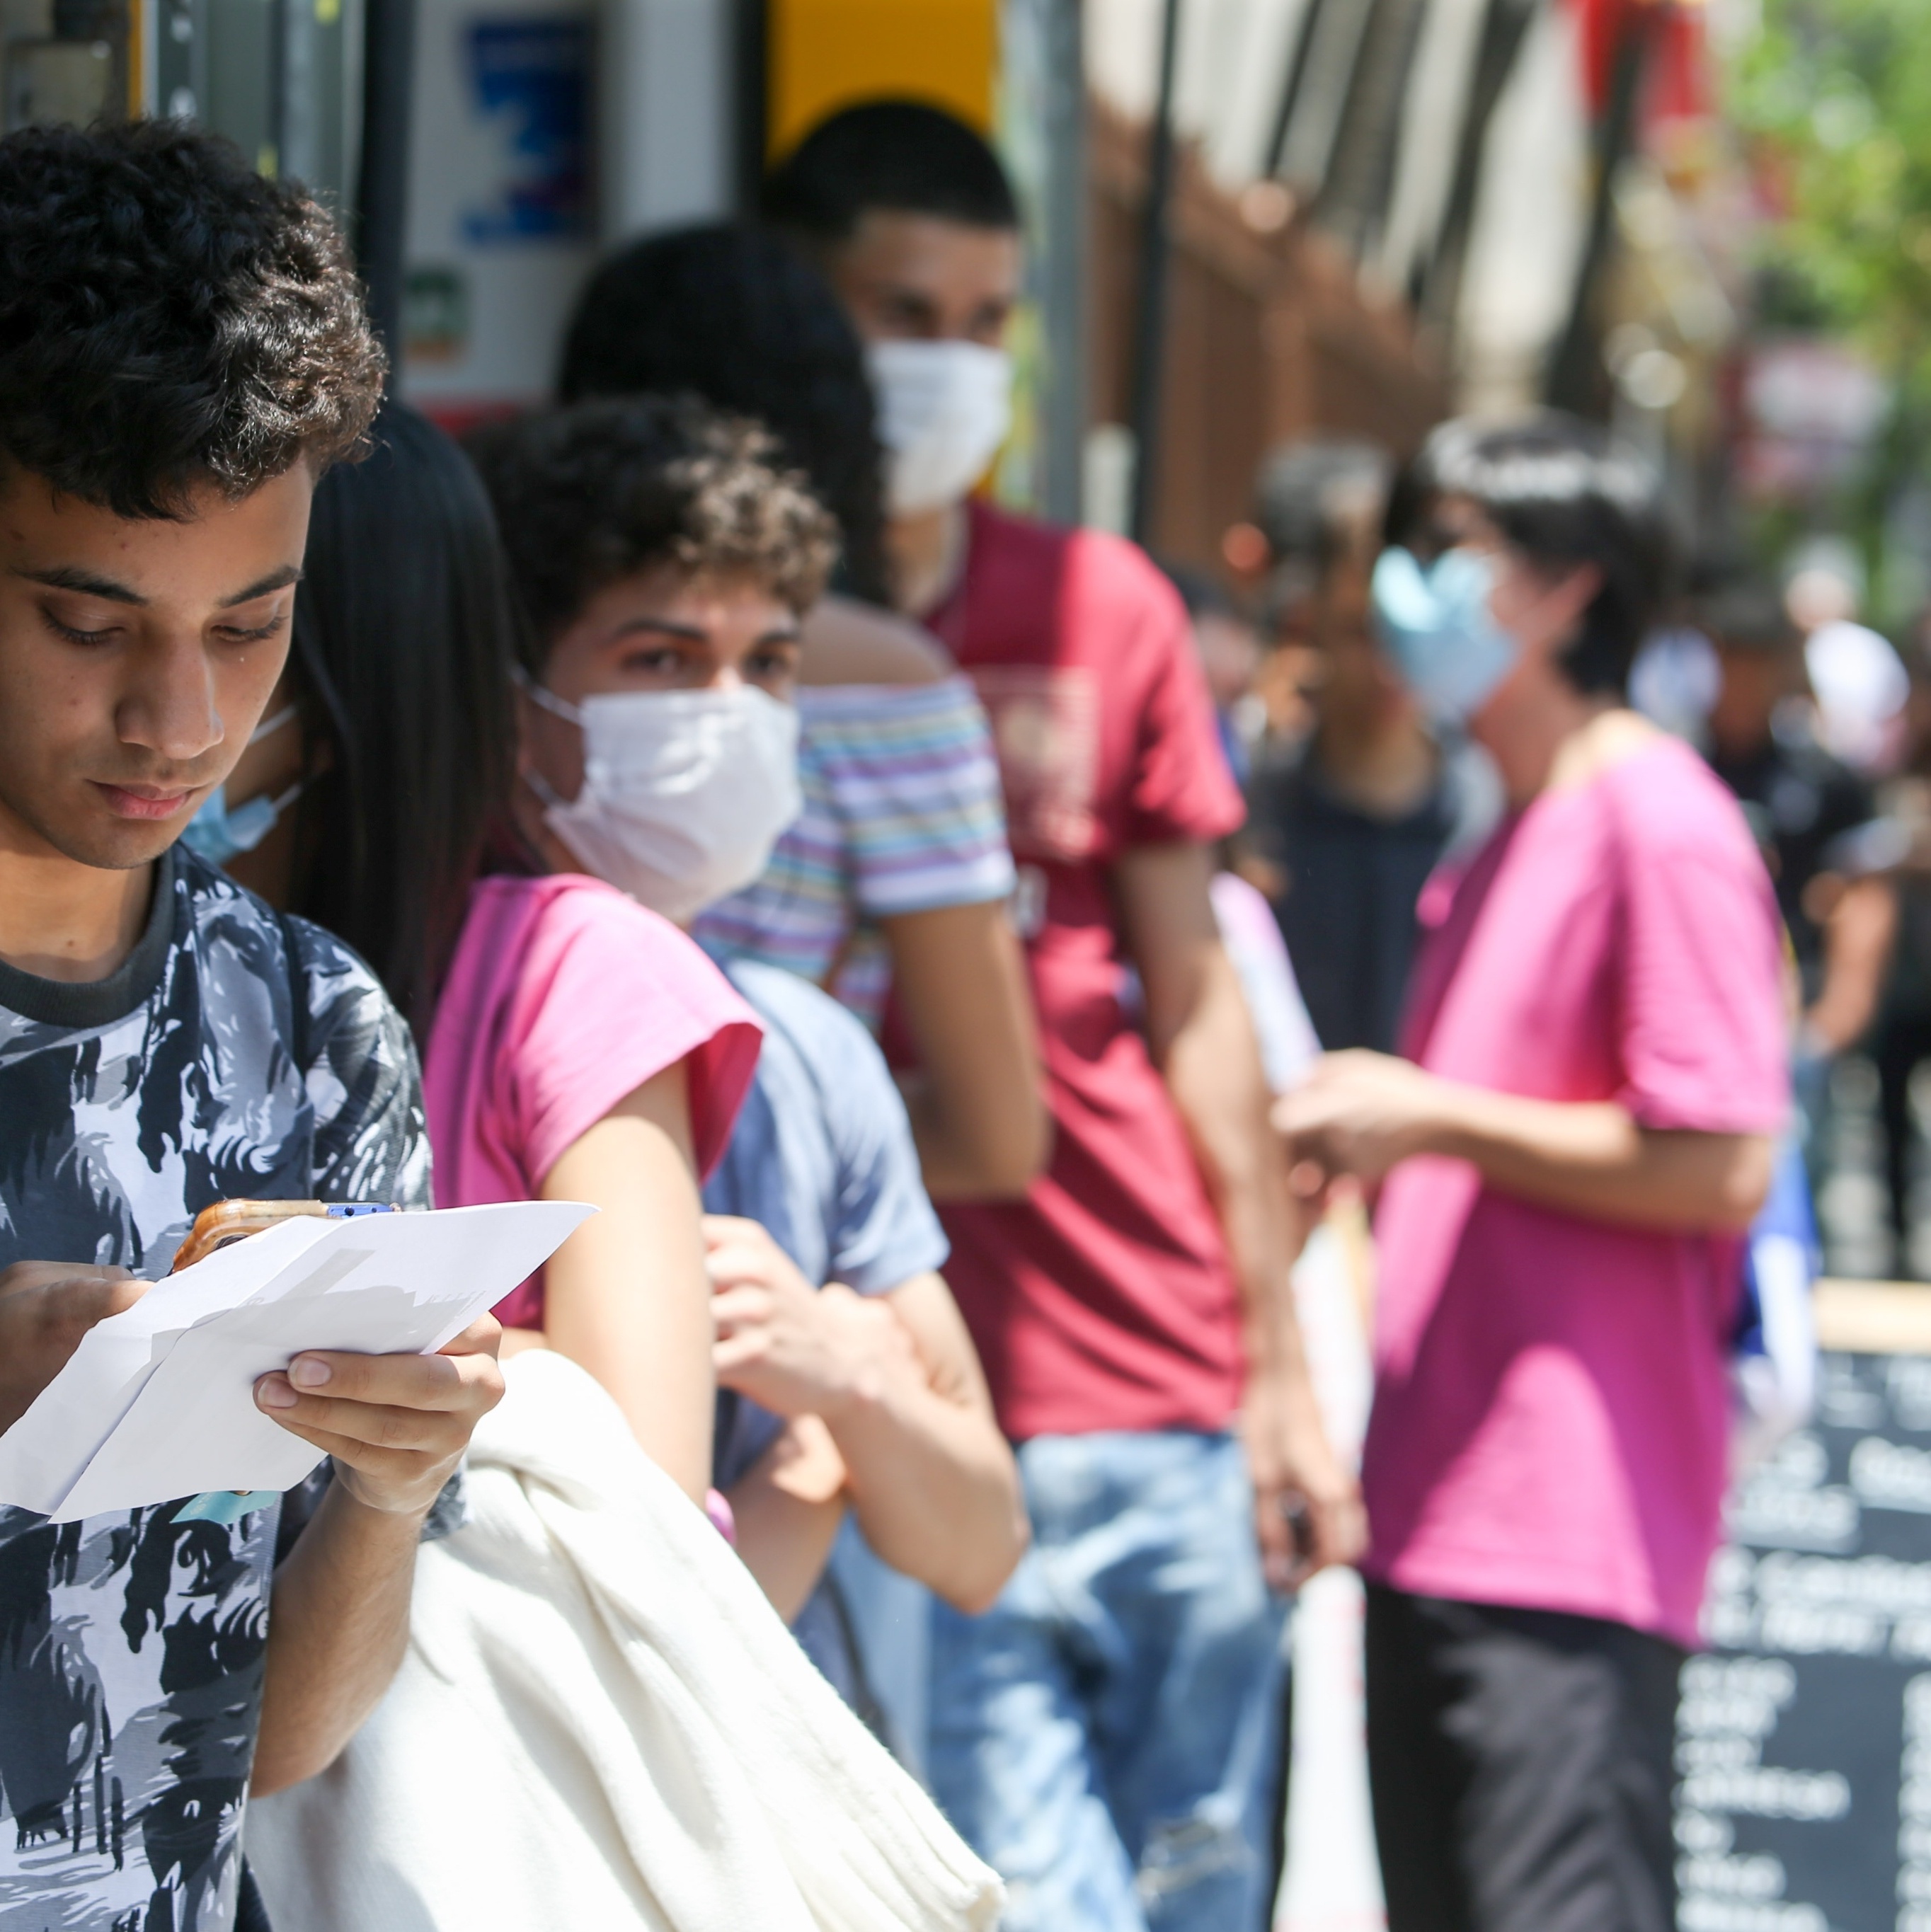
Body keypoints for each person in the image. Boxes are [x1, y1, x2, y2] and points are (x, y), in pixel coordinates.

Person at [767, 100, 1360, 1931]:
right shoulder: (729, 632)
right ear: (801, 312)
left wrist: (1274, 1373)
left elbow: (1199, 1001)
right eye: (899, 311)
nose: (947, 363)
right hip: (913, 1399)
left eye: (984, 321)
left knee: (1195, 1891)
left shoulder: (1105, 606)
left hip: (1161, 1382)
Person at [0, 122, 503, 1931]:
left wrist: (387, 1481)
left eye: (253, 624)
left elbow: (273, 1746)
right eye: (87, 620)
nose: (181, 717)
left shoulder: (312, 1031)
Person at [1277, 413, 1789, 1932]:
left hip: (1566, 1537)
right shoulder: (1508, 829)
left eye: (1449, 550)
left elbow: (1719, 1160)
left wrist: (1426, 1118)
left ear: (1568, 587)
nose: (1405, 587)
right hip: (1434, 1513)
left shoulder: (1655, 818)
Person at [466, 394, 1027, 1684]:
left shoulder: (811, 1056)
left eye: (766, 665)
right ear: (512, 694)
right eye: (661, 662)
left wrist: (843, 1381)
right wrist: (815, 1478)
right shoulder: (420, 1017)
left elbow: (981, 1543)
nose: (726, 712)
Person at [558, 224, 1044, 1200]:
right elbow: (1000, 1136)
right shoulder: (896, 685)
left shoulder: (529, 649)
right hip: (773, 1289)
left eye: (767, 665)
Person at [1244, 437, 1494, 1054]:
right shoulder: (1250, 817)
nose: (1391, 667)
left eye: (1409, 634)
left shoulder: (1487, 818)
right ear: (1311, 623)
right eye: (1365, 633)